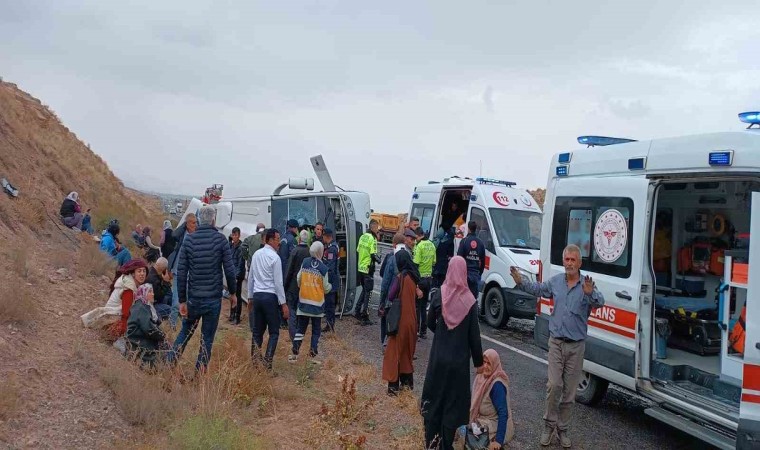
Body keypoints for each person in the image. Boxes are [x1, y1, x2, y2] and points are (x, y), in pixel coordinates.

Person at [510, 244, 604, 448]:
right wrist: (521, 282)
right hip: (556, 343)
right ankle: (548, 426)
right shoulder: (556, 282)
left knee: (569, 393)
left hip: (576, 347)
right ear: (563, 261)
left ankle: (563, 430)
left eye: (573, 260)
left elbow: (600, 302)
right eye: (567, 259)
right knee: (554, 386)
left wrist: (590, 294)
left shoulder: (586, 285)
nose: (569, 263)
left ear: (579, 263)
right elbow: (538, 289)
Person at [420, 256, 484, 450]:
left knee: (435, 399)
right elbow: (474, 336)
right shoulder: (470, 301)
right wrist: (479, 363)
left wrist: (442, 334)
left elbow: (429, 322)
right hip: (459, 362)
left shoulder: (440, 294)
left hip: (439, 358)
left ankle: (432, 442)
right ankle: (446, 444)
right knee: (453, 404)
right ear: (464, 272)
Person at [171, 205, 237, 372]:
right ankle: (199, 375)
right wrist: (233, 293)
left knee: (185, 332)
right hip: (213, 299)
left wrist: (182, 300)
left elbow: (182, 271)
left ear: (199, 220)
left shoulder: (189, 240)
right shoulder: (221, 240)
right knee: (207, 339)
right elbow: (229, 270)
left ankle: (169, 364)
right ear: (213, 220)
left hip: (194, 298)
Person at [248, 228, 289, 370]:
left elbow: (251, 277)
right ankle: (268, 363)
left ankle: (254, 363)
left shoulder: (256, 254)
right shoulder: (275, 258)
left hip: (258, 296)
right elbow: (278, 283)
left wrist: (250, 297)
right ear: (270, 240)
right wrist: (283, 304)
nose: (279, 242)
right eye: (277, 239)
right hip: (270, 297)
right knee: (274, 332)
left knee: (257, 331)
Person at [381, 248, 420, 395]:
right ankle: (407, 384)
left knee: (393, 352)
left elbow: (391, 295)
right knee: (407, 353)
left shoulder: (401, 277)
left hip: (400, 320)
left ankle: (393, 387)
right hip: (412, 320)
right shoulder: (414, 277)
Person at [80, 259, 148, 338]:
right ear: (133, 273)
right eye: (139, 271)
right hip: (112, 319)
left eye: (144, 271)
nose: (142, 274)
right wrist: (125, 333)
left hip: (112, 314)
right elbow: (125, 314)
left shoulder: (129, 282)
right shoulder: (128, 289)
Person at [290, 241, 332, 363]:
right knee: (316, 330)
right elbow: (326, 288)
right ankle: (312, 353)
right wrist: (330, 287)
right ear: (321, 252)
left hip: (304, 302)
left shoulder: (305, 262)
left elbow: (298, 279)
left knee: (300, 328)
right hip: (317, 305)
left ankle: (295, 351)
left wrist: (303, 287)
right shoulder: (323, 268)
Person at [469, 349, 515, 449]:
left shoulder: (497, 385)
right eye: (484, 362)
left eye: (489, 363)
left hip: (494, 424)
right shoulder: (481, 377)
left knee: (472, 441)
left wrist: (498, 441)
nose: (485, 366)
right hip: (483, 420)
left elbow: (503, 413)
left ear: (495, 365)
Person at [125, 284, 169, 370]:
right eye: (149, 292)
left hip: (138, 341)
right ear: (143, 293)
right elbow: (149, 329)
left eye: (152, 291)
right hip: (138, 344)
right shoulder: (141, 308)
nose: (153, 294)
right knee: (162, 360)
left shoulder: (142, 305)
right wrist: (163, 336)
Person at [167, 213, 197, 327]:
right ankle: (172, 325)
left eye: (196, 222)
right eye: (193, 223)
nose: (195, 225)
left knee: (188, 301)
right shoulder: (182, 234)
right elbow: (174, 235)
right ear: (187, 223)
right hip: (178, 271)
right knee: (176, 301)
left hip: (191, 274)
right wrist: (184, 225)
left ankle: (184, 325)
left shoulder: (197, 236)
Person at [379, 233, 407, 347]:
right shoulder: (408, 257)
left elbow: (385, 283)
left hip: (390, 298)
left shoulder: (391, 258)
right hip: (402, 299)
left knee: (386, 321)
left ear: (394, 244)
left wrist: (381, 301)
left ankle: (385, 343)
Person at [284, 230, 311, 340]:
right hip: (306, 286)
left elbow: (289, 270)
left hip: (293, 287)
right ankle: (299, 336)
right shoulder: (310, 252)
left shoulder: (295, 251)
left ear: (299, 239)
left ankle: (293, 336)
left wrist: (284, 286)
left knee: (292, 312)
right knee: (301, 312)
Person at [356, 219, 380, 325]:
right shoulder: (372, 238)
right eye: (377, 227)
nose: (377, 230)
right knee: (368, 293)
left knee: (364, 290)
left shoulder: (363, 236)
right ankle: (365, 316)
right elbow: (373, 254)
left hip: (360, 268)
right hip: (368, 268)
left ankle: (357, 311)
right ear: (373, 227)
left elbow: (358, 250)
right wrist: (379, 260)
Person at [413, 227, 436, 339]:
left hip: (420, 279)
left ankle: (416, 330)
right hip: (428, 279)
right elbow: (434, 262)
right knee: (424, 306)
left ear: (418, 235)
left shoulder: (419, 246)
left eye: (415, 237)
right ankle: (423, 331)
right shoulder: (432, 245)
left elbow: (416, 263)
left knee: (417, 306)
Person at [457, 221, 486, 299]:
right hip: (475, 275)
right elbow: (483, 261)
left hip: (465, 275)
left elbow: (459, 259)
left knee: (463, 298)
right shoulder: (480, 243)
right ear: (475, 229)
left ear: (468, 229)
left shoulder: (464, 241)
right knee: (473, 298)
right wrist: (479, 273)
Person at [226, 227, 246, 325]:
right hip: (231, 273)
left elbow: (240, 264)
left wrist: (236, 277)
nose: (234, 237)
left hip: (238, 275)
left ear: (239, 235)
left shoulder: (241, 247)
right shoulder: (230, 245)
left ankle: (237, 317)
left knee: (237, 295)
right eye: (233, 235)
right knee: (231, 294)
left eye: (236, 235)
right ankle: (232, 314)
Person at [321, 228, 340, 332]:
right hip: (331, 279)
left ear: (326, 236)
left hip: (331, 280)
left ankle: (330, 325)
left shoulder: (332, 249)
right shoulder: (332, 246)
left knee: (330, 304)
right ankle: (329, 323)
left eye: (323, 236)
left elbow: (330, 266)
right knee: (329, 304)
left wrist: (321, 270)